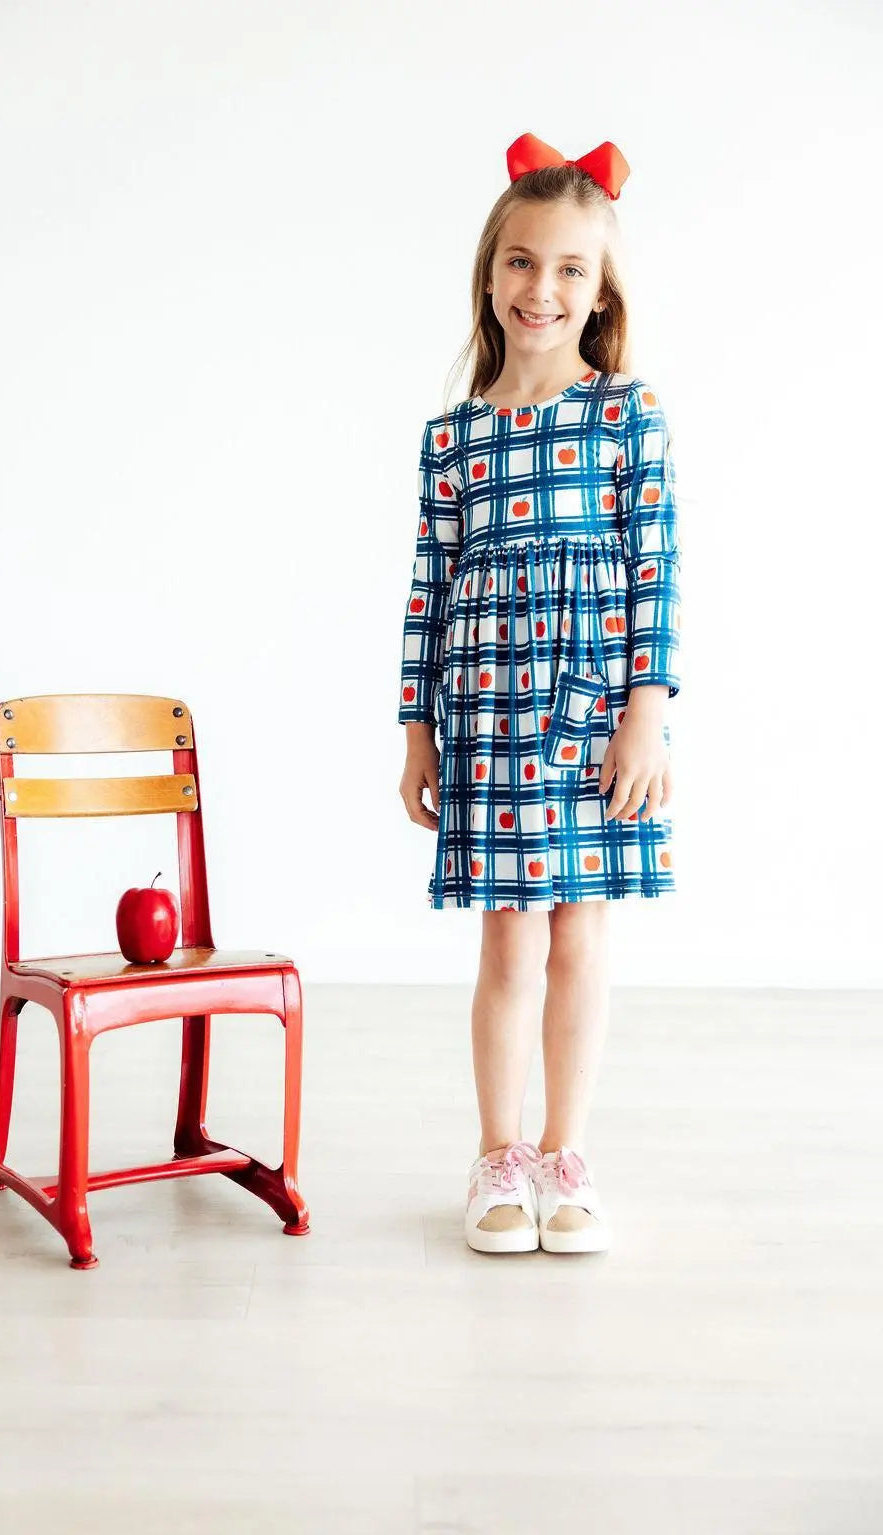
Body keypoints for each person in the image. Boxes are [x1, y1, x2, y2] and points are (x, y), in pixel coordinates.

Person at [397, 134, 682, 1256]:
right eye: (521, 263)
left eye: (569, 269)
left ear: (599, 289)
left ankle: (568, 1154)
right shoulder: (454, 438)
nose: (541, 289)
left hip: (592, 711)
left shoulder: (624, 415)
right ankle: (497, 1154)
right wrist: (417, 729)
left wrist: (646, 713)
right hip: (486, 716)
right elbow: (429, 586)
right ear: (489, 273)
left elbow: (654, 569)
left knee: (580, 938)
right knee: (507, 943)